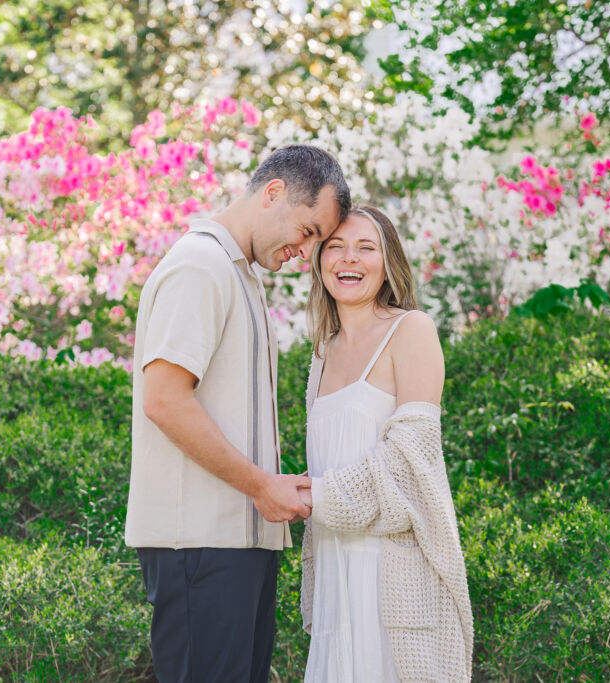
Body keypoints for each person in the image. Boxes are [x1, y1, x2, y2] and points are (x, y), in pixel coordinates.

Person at [125, 145, 351, 683]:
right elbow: (164, 399)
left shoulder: (239, 275)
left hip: (237, 544)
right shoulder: (199, 267)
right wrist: (259, 486)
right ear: (273, 192)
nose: (307, 249)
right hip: (201, 546)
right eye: (309, 228)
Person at [298, 206, 474, 682]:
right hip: (336, 577)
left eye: (365, 247)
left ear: (387, 260)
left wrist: (317, 495)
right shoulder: (322, 351)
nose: (347, 258)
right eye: (334, 246)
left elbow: (410, 456)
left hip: (393, 577)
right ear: (318, 261)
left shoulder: (411, 330)